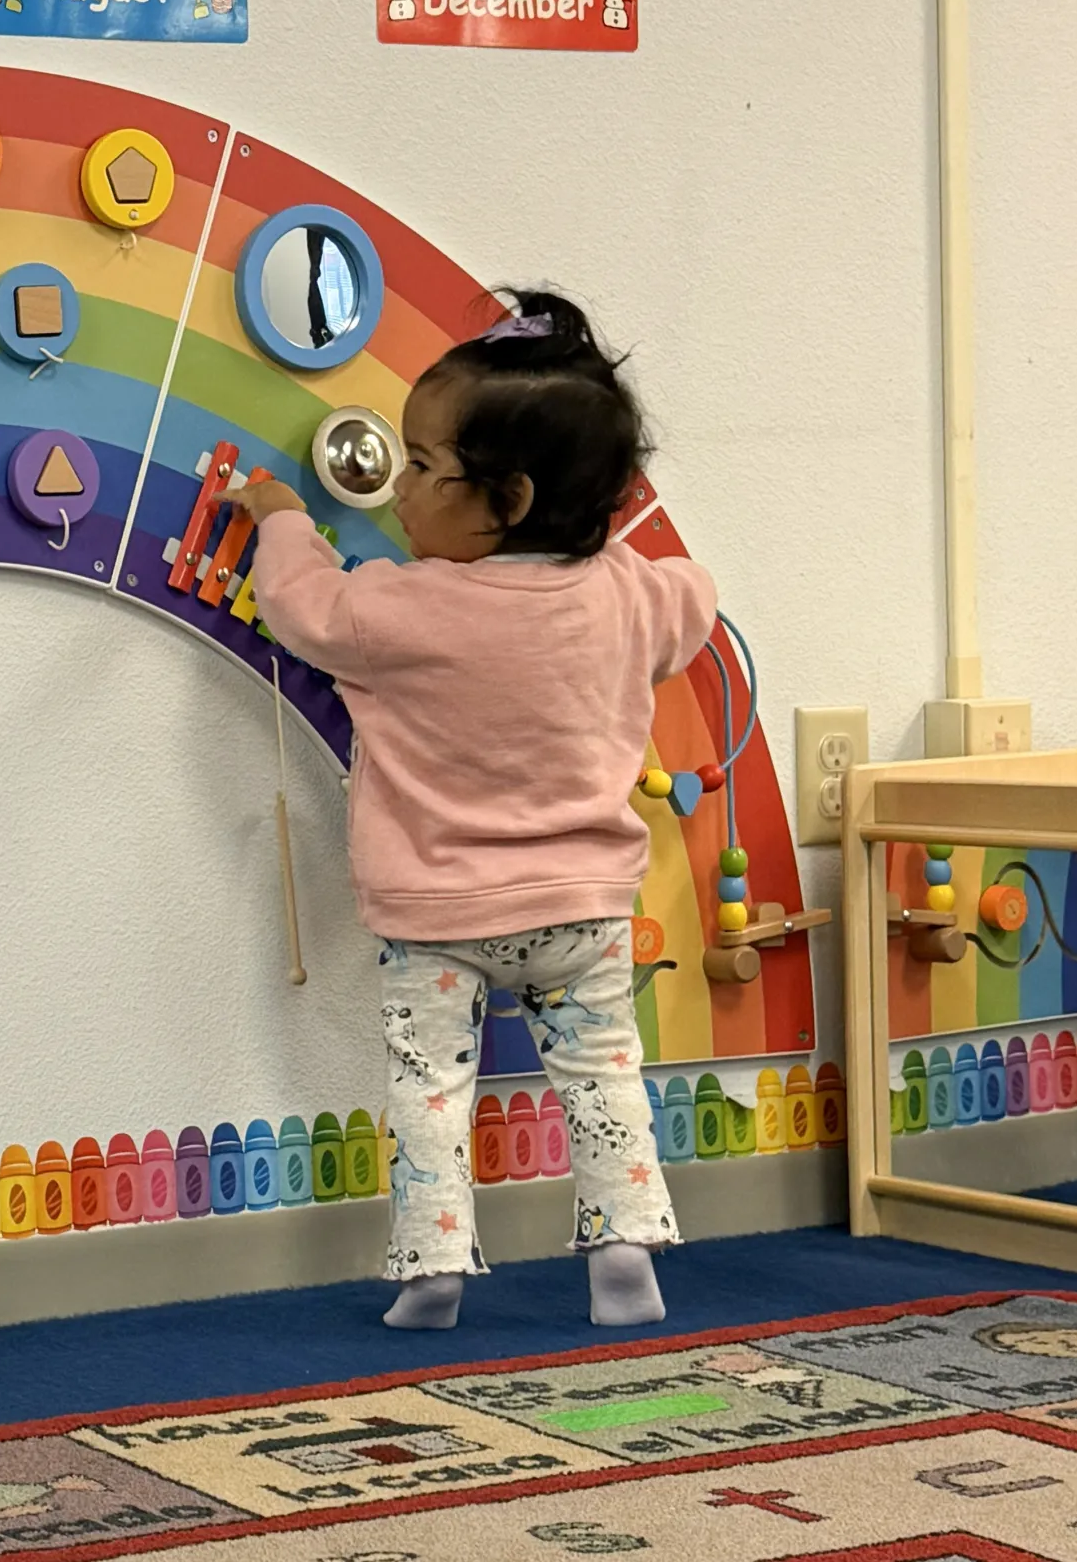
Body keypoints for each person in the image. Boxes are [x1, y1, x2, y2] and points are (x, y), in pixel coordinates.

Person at [226, 290, 716, 1331]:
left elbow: (304, 606)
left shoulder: (404, 607)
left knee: (429, 1093)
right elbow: (693, 596)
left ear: (509, 498)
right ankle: (625, 1254)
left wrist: (280, 516)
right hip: (582, 909)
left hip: (437, 915)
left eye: (419, 465)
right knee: (603, 1079)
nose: (398, 488)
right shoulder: (628, 595)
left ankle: (434, 1267)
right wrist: (605, 549)